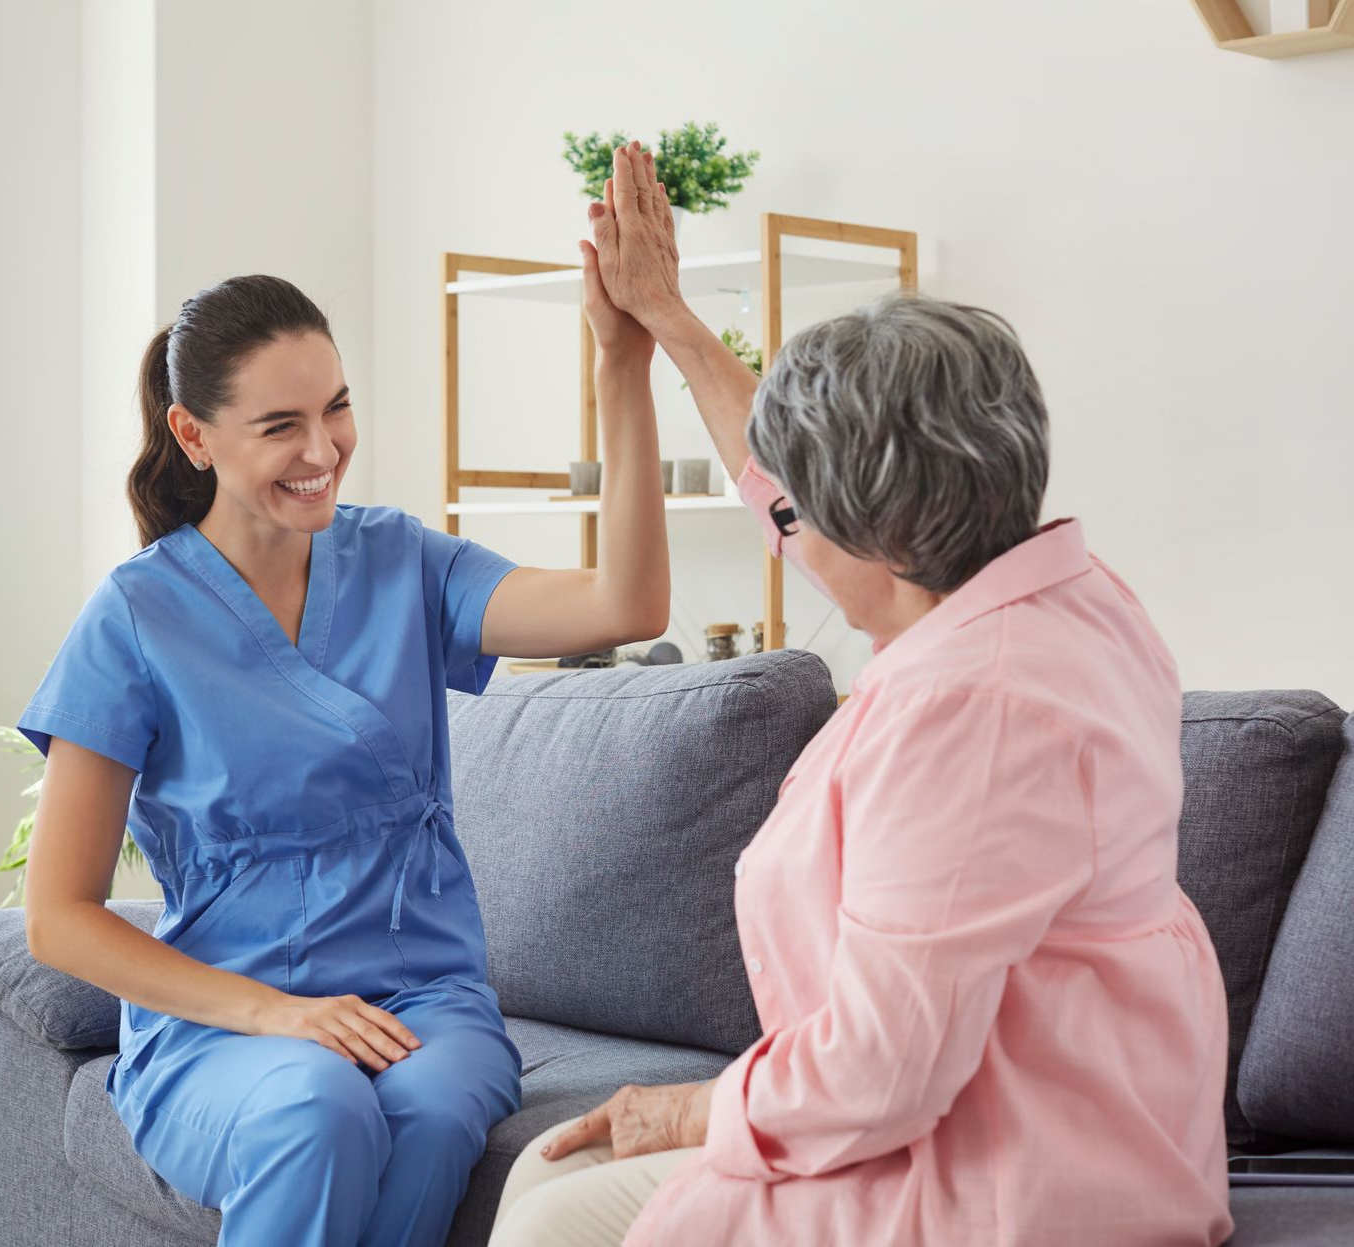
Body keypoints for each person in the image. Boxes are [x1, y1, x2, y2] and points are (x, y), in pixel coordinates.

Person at [489, 140, 1234, 1247]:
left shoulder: (971, 710)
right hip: (1052, 1114)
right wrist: (669, 322)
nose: (777, 530)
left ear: (882, 534)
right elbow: (813, 483)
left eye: (794, 519)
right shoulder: (1056, 589)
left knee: (557, 1211)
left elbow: (881, 1071)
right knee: (549, 1186)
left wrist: (688, 1106)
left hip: (1001, 1175)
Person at [17, 240, 670, 1245]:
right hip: (224, 1025)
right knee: (315, 1106)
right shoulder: (136, 616)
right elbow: (60, 917)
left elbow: (623, 602)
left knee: (432, 1105)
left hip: (423, 999)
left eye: (336, 407)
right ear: (193, 434)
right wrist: (276, 1014)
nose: (322, 447)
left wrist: (620, 367)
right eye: (281, 424)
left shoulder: (404, 562)